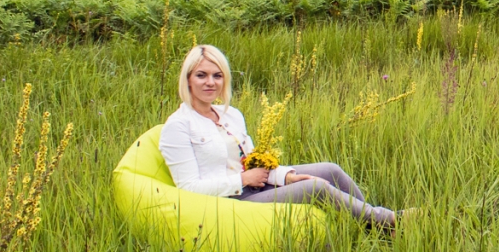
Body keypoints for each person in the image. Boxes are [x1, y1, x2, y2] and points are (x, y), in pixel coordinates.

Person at [159, 44, 397, 227]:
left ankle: (372, 229)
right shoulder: (178, 126)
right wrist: (242, 180)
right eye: (201, 75)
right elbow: (188, 189)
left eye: (217, 76)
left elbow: (254, 160)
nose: (210, 83)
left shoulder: (231, 115)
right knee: (316, 188)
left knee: (330, 171)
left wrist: (287, 177)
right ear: (188, 79)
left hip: (256, 186)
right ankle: (388, 220)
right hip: (230, 201)